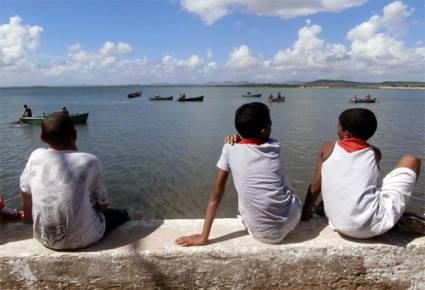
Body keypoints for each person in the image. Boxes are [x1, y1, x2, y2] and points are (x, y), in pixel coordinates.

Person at [176, 102, 301, 246]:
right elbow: (257, 141)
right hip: (289, 222)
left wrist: (203, 236)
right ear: (264, 130)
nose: (271, 125)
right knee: (288, 189)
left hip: (258, 233)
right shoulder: (275, 147)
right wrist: (240, 138)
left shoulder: (229, 148)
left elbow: (216, 195)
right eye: (270, 123)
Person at [301, 108, 422, 238]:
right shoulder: (375, 153)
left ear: (346, 132)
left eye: (338, 125)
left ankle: (392, 218)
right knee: (412, 160)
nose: (337, 127)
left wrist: (305, 215)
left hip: (338, 224)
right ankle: (395, 218)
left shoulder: (327, 148)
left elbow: (315, 187)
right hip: (374, 227)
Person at [20, 112, 130, 250]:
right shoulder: (90, 160)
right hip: (86, 238)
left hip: (44, 239)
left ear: (42, 138)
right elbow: (103, 205)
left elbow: (25, 190)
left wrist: (28, 219)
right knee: (122, 214)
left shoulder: (35, 156)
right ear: (75, 135)